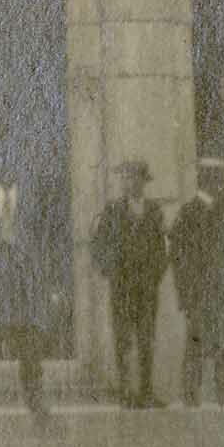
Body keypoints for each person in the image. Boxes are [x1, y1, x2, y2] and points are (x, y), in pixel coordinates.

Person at [0, 170, 61, 426]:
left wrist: (50, 284)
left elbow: (49, 243)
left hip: (25, 290)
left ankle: (38, 409)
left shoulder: (35, 199)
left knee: (31, 355)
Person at [169, 155, 224, 412]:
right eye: (218, 177)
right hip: (199, 292)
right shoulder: (189, 212)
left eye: (222, 178)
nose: (222, 183)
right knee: (196, 343)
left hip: (223, 291)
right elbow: (178, 258)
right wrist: (185, 294)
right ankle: (191, 394)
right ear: (207, 179)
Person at [91, 158, 169, 409]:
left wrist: (156, 274)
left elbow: (162, 248)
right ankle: (126, 391)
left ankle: (146, 391)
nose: (128, 182)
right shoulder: (111, 211)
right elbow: (98, 246)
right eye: (124, 178)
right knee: (123, 339)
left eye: (133, 177)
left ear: (143, 182)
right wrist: (111, 272)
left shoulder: (155, 211)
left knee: (147, 339)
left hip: (147, 288)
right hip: (122, 288)